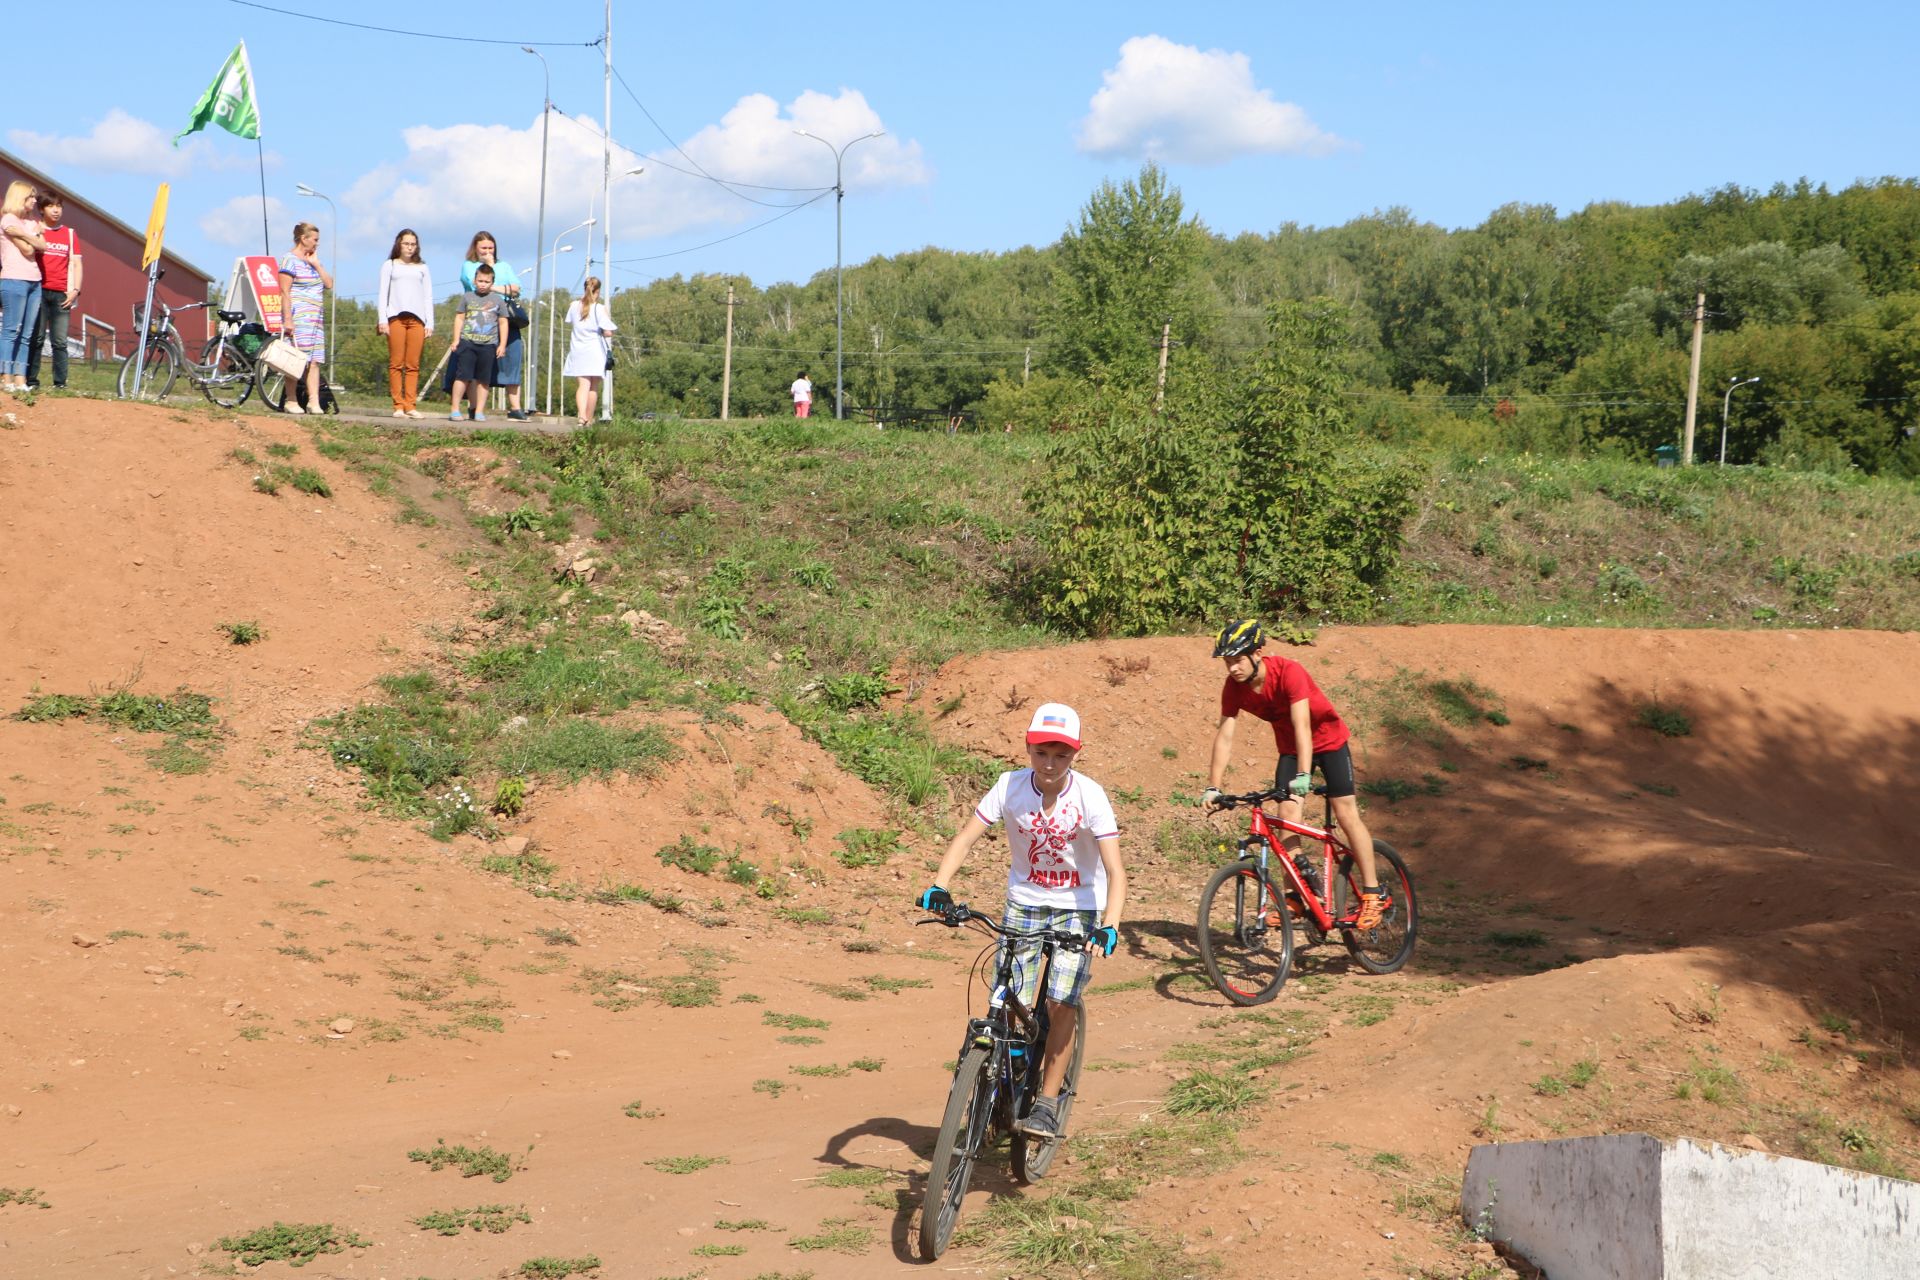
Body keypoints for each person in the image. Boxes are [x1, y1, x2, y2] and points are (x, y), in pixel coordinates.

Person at [917, 702, 1127, 1140]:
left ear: (1076, 754)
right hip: (1025, 903)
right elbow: (966, 838)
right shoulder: (1008, 786)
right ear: (1028, 748)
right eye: (1041, 753)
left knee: (1059, 1001)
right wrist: (939, 885)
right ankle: (1009, 1061)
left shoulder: (1090, 796)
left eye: (1061, 755)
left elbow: (1115, 870)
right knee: (1009, 993)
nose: (1050, 764)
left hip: (1079, 906)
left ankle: (1048, 1103)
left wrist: (1111, 924)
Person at [1201, 619, 1386, 929]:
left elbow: (1303, 724)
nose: (1232, 668)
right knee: (1287, 817)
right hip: (1290, 748)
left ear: (1257, 653)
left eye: (1237, 660)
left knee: (1346, 813)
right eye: (1227, 662)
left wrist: (1304, 773)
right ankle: (1296, 896)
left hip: (1328, 742)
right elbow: (1225, 736)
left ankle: (1372, 893)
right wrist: (1213, 787)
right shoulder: (1235, 688)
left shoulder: (1289, 672)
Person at [460, 232, 529, 420]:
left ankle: (515, 408)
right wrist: (489, 270)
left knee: (512, 359)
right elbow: (475, 285)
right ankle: (474, 407)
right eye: (484, 248)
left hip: (505, 316)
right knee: (479, 364)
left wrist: (495, 287)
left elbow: (516, 288)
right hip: (481, 319)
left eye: (491, 248)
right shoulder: (469, 266)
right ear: (476, 248)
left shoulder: (504, 266)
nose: (488, 251)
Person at [276, 221, 332, 415]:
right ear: (304, 238)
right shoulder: (289, 260)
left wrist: (316, 264)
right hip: (299, 318)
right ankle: (291, 400)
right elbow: (284, 291)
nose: (317, 244)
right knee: (296, 360)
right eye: (315, 240)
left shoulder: (313, 261)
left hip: (315, 320)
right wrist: (287, 320)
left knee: (314, 361)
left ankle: (313, 401)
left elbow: (328, 283)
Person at [377, 228, 433, 418]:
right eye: (406, 243)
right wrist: (382, 320)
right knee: (396, 363)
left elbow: (427, 296)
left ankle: (410, 405)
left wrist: (429, 322)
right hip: (396, 318)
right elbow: (383, 294)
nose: (409, 247)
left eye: (413, 244)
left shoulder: (422, 268)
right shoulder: (390, 265)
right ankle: (398, 405)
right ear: (399, 244)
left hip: (417, 319)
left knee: (413, 364)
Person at [25, 193, 78, 392]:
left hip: (61, 294)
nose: (56, 210)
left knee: (59, 341)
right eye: (51, 206)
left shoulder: (70, 234)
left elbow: (77, 263)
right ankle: (31, 381)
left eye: (59, 206)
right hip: (38, 290)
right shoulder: (34, 229)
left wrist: (75, 290)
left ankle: (60, 383)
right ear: (41, 209)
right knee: (36, 339)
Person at [0, 180, 49, 394]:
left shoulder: (30, 222)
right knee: (11, 330)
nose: (35, 200)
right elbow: (29, 251)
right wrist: (34, 235)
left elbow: (42, 246)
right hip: (13, 279)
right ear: (20, 197)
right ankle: (6, 376)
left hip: (34, 281)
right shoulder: (8, 219)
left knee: (27, 334)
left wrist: (25, 235)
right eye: (31, 197)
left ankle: (21, 379)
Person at [448, 263, 507, 423]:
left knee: (483, 380)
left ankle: (479, 411)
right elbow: (459, 318)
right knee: (462, 377)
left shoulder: (498, 301)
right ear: (474, 281)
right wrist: (456, 339)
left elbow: (503, 323)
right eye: (480, 281)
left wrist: (502, 345)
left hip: (488, 345)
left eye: (486, 282)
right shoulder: (467, 297)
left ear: (492, 283)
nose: (483, 284)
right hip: (468, 342)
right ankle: (455, 409)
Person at [561, 276, 617, 427]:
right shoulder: (599, 308)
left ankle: (581, 417)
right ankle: (589, 419)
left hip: (578, 350)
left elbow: (571, 322)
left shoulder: (573, 306)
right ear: (597, 291)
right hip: (595, 351)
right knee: (593, 387)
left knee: (583, 385)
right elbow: (608, 332)